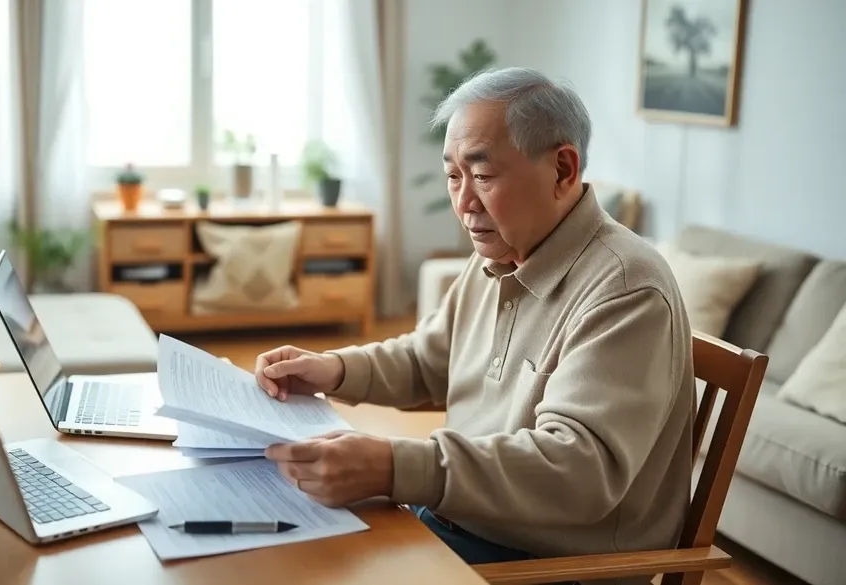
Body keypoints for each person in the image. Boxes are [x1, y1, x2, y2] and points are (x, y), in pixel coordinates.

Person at [255, 67, 694, 573]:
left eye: (483, 176)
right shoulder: (504, 252)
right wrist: (332, 369)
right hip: (460, 520)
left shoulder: (625, 288)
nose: (464, 204)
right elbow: (428, 360)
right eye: (453, 176)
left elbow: (579, 472)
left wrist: (395, 466)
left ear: (562, 170)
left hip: (549, 563)